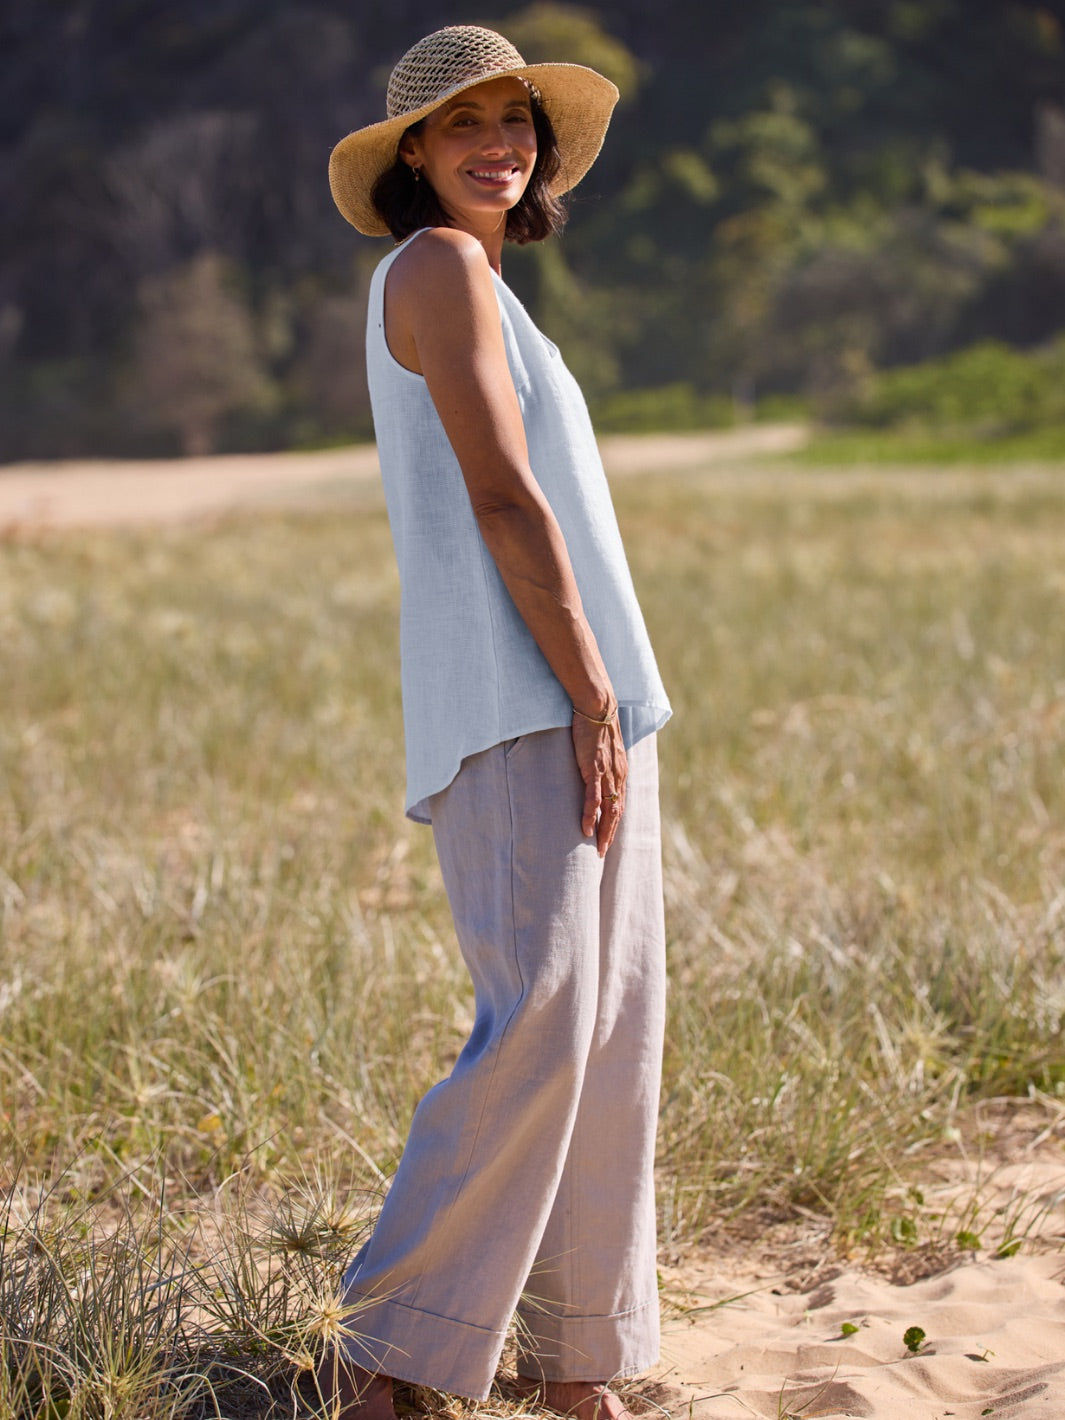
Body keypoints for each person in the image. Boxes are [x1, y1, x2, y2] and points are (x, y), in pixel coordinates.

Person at [321, 25, 672, 1420]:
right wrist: (584, 692)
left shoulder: (492, 287)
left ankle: (569, 1355)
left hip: (595, 701)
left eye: (512, 118)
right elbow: (503, 498)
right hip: (525, 703)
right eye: (459, 122)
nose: (494, 142)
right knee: (539, 1019)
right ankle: (391, 1345)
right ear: (412, 152)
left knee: (608, 1028)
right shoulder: (435, 265)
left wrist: (610, 698)